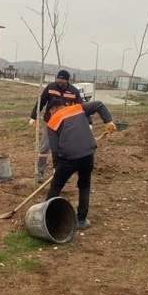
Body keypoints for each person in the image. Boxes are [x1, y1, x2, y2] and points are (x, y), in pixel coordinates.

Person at [45, 98, 116, 230]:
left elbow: (54, 149)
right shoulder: (78, 108)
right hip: (87, 155)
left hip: (68, 159)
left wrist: (56, 167)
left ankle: (46, 217)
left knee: (56, 186)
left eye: (50, 112)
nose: (50, 115)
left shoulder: (52, 122)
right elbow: (99, 104)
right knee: (84, 186)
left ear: (53, 109)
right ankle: (81, 220)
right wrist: (108, 121)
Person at [29, 70, 87, 183]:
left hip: (64, 124)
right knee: (45, 146)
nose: (60, 80)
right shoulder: (51, 87)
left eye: (62, 78)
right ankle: (40, 171)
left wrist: (87, 122)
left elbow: (81, 107)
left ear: (67, 80)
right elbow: (41, 102)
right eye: (58, 78)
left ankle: (59, 171)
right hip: (50, 122)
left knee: (62, 148)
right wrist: (33, 116)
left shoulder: (73, 91)